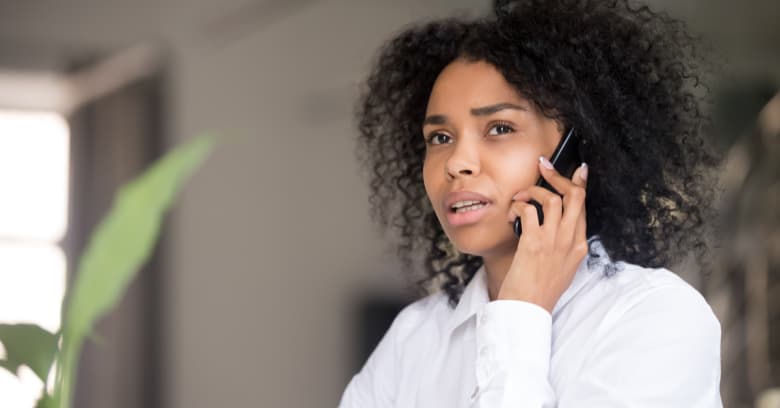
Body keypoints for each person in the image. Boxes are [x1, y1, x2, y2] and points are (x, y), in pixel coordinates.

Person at [340, 0, 724, 406]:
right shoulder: (414, 338)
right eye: (440, 137)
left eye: (500, 128)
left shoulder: (654, 316)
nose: (456, 163)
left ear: (576, 152)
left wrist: (520, 312)